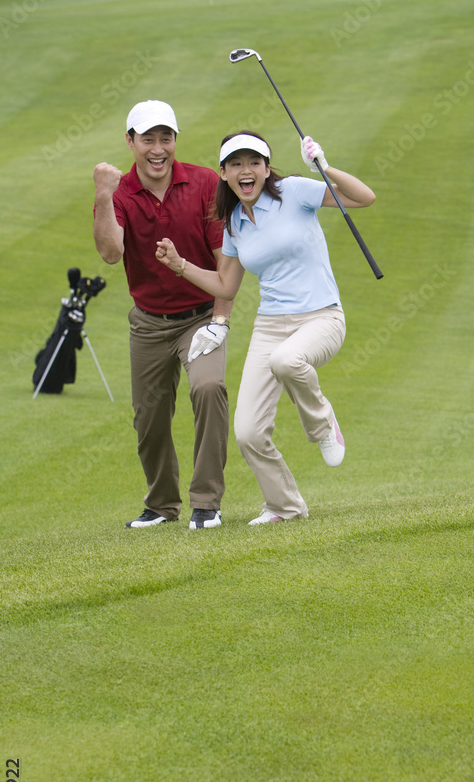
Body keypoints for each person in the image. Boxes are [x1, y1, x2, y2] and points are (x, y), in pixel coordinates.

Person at [155, 130, 375, 525]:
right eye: (236, 164)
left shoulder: (293, 191)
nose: (246, 171)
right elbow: (226, 286)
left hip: (322, 316)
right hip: (270, 325)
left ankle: (323, 425)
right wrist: (179, 265)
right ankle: (285, 507)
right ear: (223, 173)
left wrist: (324, 167)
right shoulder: (235, 222)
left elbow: (363, 197)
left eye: (254, 162)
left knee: (287, 360)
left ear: (267, 168)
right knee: (248, 432)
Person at [93, 100, 234, 529]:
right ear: (130, 142)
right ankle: (161, 505)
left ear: (175, 140)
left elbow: (225, 258)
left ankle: (206, 502)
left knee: (209, 389)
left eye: (166, 138)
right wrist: (102, 193)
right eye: (148, 139)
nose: (158, 148)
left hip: (201, 317)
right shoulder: (118, 193)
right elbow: (110, 253)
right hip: (149, 322)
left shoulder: (206, 182)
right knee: (149, 416)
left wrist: (219, 320)